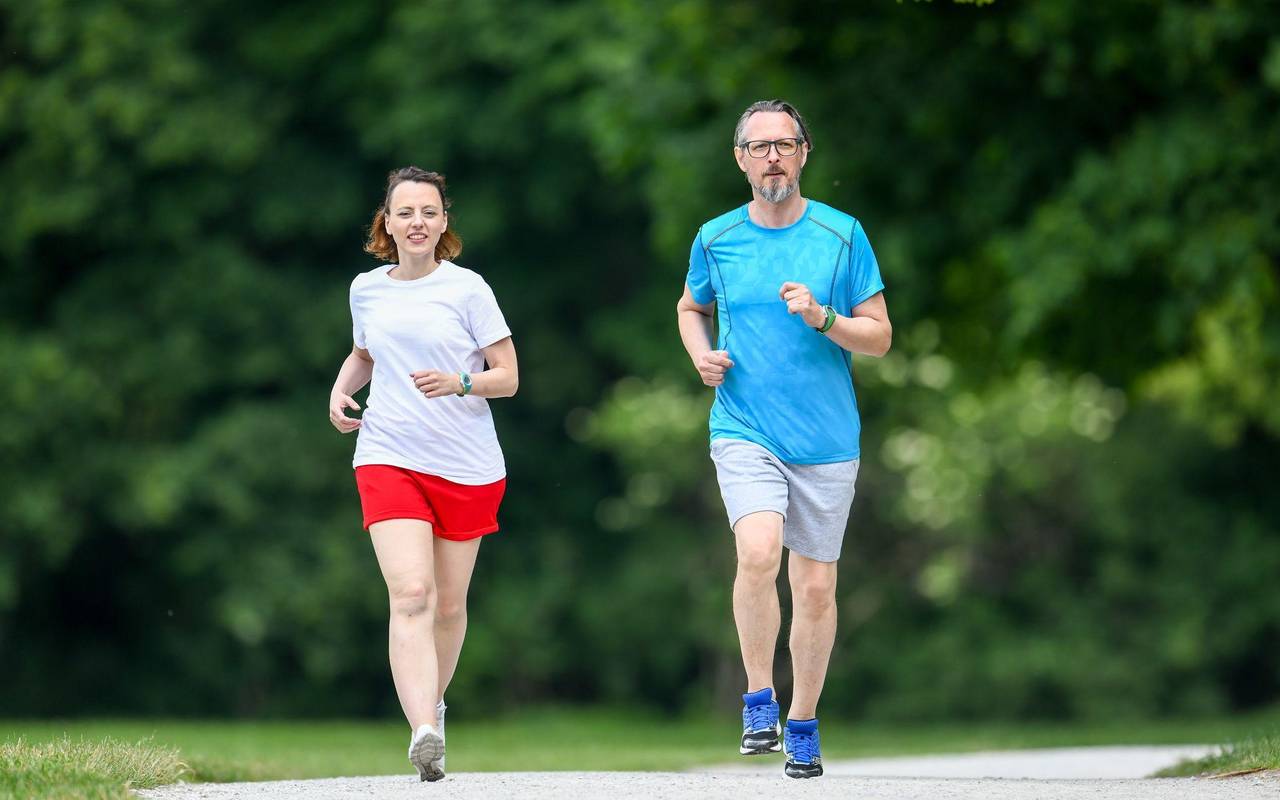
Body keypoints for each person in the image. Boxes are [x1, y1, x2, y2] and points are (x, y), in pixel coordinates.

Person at [676, 100, 892, 779]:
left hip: (827, 437)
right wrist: (700, 353)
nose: (773, 155)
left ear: (804, 154)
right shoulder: (715, 237)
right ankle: (757, 699)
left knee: (818, 589)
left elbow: (880, 337)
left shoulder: (841, 234)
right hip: (745, 425)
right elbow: (690, 307)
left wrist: (824, 317)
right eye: (759, 145)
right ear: (739, 158)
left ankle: (802, 721)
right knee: (759, 550)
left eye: (785, 143)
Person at [328, 166, 518, 781]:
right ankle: (423, 731)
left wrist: (460, 382)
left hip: (466, 465)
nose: (418, 223)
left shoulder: (468, 290)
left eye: (429, 212)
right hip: (388, 454)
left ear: (444, 222)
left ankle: (434, 702)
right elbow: (365, 352)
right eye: (405, 212)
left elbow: (507, 377)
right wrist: (339, 391)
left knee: (448, 604)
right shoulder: (367, 289)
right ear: (386, 222)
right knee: (412, 593)